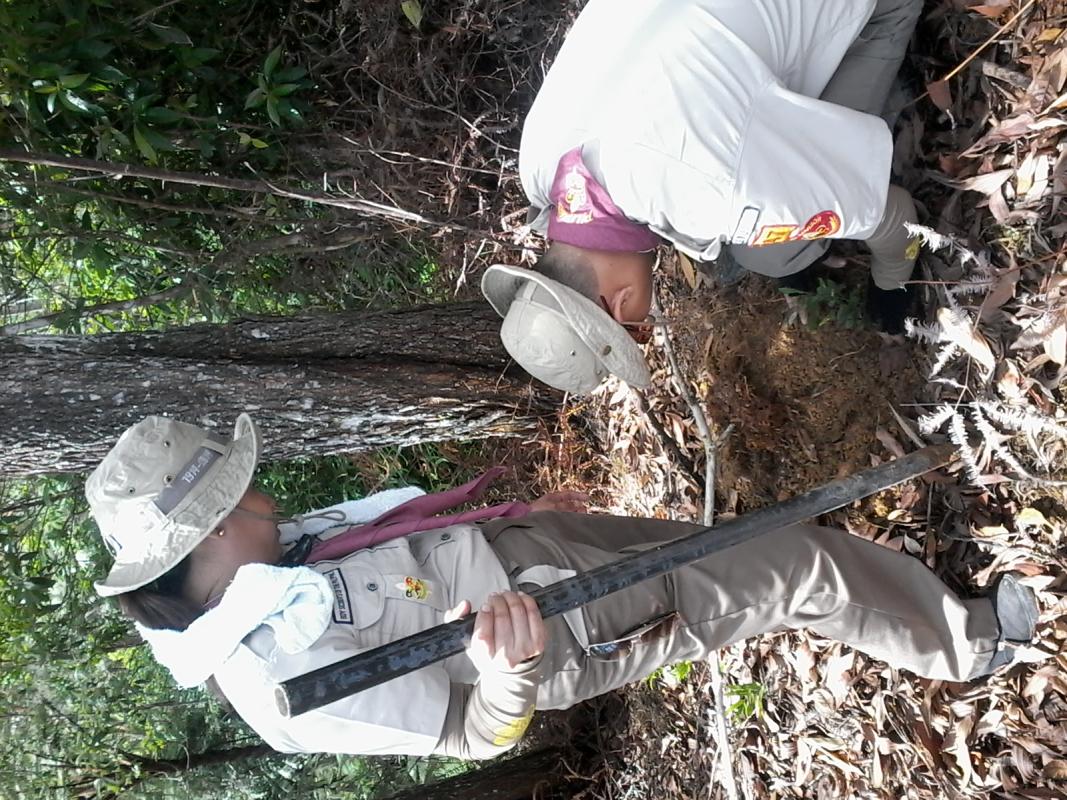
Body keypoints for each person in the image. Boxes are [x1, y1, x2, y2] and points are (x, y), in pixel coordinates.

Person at [87, 414, 1037, 760]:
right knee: (792, 571)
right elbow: (470, 735)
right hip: (571, 627)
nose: (262, 492)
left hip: (538, 550)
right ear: (212, 525)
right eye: (241, 488)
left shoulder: (270, 563)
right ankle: (970, 644)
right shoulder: (279, 677)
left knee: (750, 550)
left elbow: (400, 552)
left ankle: (933, 620)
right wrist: (508, 673)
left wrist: (519, 521)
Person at [481, 0, 926, 395]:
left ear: (620, 303)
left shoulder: (711, 192)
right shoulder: (539, 161)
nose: (646, 323)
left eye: (637, 331)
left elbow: (896, 219)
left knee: (771, 252)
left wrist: (891, 301)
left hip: (871, 8)